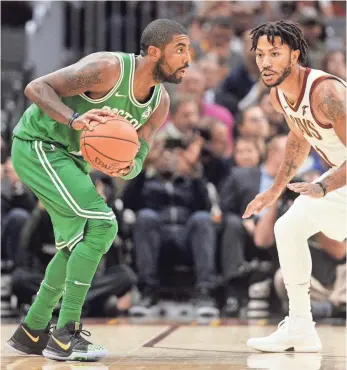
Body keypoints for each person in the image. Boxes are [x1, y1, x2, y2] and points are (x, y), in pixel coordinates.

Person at [7, 19, 191, 362]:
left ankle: (32, 330)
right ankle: (65, 334)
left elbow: (139, 158)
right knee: (104, 225)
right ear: (154, 52)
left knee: (79, 242)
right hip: (39, 144)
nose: (188, 58)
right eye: (180, 49)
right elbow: (36, 87)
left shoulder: (159, 103)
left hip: (71, 159)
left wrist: (126, 166)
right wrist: (73, 119)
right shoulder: (107, 69)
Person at [243, 20, 346, 352]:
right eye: (260, 54)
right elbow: (299, 138)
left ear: (295, 55)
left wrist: (325, 185)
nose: (266, 62)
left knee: (290, 227)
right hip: (338, 179)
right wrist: (274, 190)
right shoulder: (279, 96)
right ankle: (301, 327)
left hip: (337, 179)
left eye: (275, 53)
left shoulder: (327, 94)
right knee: (287, 228)